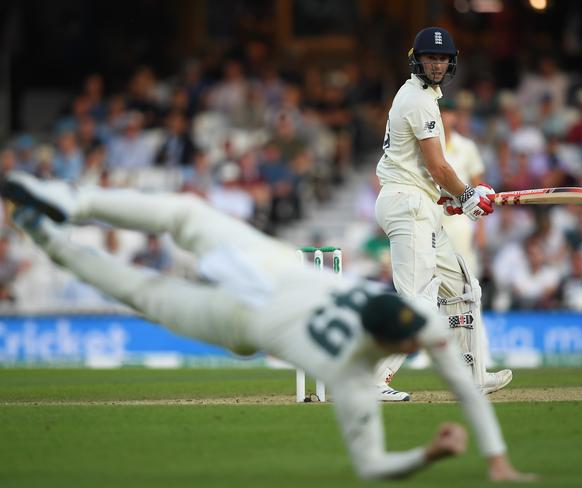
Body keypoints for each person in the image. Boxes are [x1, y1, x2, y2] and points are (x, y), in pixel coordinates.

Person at [1, 171, 535, 482]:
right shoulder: (351, 375)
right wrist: (469, 458)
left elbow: (455, 384)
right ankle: (49, 234)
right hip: (248, 315)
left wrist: (482, 456)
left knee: (184, 213)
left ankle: (74, 203)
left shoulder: (385, 328)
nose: (421, 341)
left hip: (263, 270)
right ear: (389, 340)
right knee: (144, 293)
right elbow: (374, 466)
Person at [373, 27, 512, 400]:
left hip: (419, 203)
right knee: (417, 300)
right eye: (430, 57)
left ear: (451, 62)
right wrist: (467, 195)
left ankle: (473, 377)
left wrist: (454, 198)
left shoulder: (423, 97)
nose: (437, 64)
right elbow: (437, 167)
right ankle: (371, 379)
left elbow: (427, 173)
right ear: (416, 59)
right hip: (407, 204)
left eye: (442, 58)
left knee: (463, 290)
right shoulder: (418, 99)